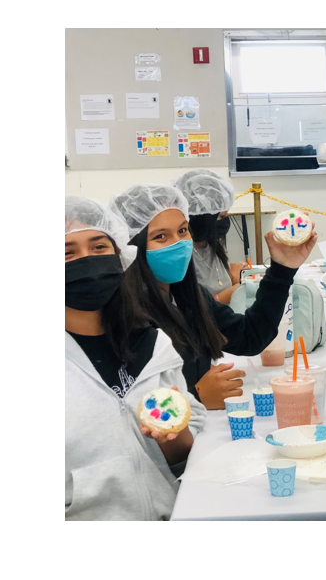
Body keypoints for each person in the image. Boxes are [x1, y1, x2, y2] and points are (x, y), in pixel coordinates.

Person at [109, 184, 317, 410]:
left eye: (182, 231)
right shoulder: (128, 315)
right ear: (131, 246)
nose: (178, 244)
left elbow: (250, 337)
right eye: (160, 236)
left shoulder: (187, 297)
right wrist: (194, 398)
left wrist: (282, 269)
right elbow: (130, 406)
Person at [65, 195, 206, 520]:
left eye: (99, 247)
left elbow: (184, 452)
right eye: (68, 252)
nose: (87, 261)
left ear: (120, 255)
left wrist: (174, 436)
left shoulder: (153, 344)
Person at [173, 169, 248, 304]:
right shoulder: (181, 256)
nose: (226, 221)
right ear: (201, 217)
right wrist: (226, 295)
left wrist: (233, 277)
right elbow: (184, 307)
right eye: (221, 216)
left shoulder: (209, 245)